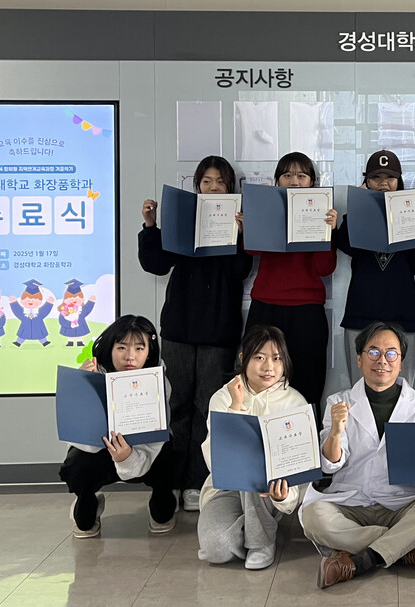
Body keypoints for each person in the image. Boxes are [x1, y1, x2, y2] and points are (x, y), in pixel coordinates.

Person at [299, 322, 415, 589]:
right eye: (373, 352)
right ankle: (405, 547)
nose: (382, 360)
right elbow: (330, 466)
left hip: (400, 504)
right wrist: (335, 431)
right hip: (350, 502)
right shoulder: (338, 402)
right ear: (359, 359)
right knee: (313, 516)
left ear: (401, 361)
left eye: (391, 353)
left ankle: (365, 558)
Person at [139, 154, 252, 511]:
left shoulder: (238, 222)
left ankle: (196, 483)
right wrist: (151, 226)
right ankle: (170, 481)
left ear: (230, 187)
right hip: (179, 327)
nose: (214, 187)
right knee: (177, 406)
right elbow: (156, 264)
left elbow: (240, 272)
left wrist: (241, 235)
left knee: (208, 407)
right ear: (197, 186)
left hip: (219, 329)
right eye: (207, 181)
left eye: (220, 182)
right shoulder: (184, 219)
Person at [197, 325, 309, 570]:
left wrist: (285, 495)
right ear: (243, 359)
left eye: (277, 358)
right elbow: (217, 460)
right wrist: (236, 408)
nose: (269, 367)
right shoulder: (222, 398)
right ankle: (254, 527)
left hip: (270, 491)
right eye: (259, 357)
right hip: (227, 489)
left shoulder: (295, 402)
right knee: (214, 549)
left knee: (254, 469)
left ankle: (261, 542)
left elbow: (300, 466)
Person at [58, 315, 177, 538]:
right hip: (99, 450)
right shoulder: (92, 375)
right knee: (83, 516)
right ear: (110, 348)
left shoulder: (159, 382)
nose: (130, 356)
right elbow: (76, 431)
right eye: (122, 347)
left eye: (139, 348)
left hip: (143, 450)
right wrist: (80, 384)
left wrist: (128, 458)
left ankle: (162, 500)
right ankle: (87, 501)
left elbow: (156, 438)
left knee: (168, 458)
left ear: (149, 351)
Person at [245, 151, 337, 421]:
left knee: (307, 385)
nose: (294, 181)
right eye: (287, 175)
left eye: (301, 175)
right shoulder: (267, 206)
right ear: (278, 181)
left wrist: (329, 232)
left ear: (312, 182)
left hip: (307, 311)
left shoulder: (322, 211)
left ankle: (305, 446)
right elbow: (251, 250)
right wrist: (253, 218)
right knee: (259, 384)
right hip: (266, 306)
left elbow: (324, 268)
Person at [333, 150, 415, 385]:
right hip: (360, 316)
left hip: (403, 317)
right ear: (366, 181)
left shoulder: (412, 213)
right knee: (360, 389)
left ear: (399, 181)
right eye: (376, 177)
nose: (383, 183)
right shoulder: (359, 213)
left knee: (403, 392)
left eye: (390, 177)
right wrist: (357, 206)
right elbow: (345, 245)